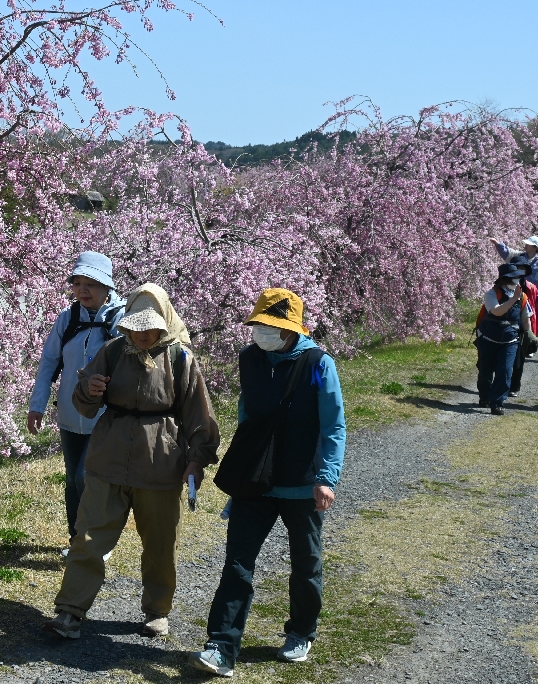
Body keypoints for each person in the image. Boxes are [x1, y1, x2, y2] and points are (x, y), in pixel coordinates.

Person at [43, 284, 221, 640]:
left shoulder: (180, 359)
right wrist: (88, 390)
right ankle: (71, 611)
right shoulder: (111, 351)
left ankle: (157, 610)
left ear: (163, 324)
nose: (142, 334)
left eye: (149, 327)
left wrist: (197, 461)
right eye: (136, 327)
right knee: (88, 537)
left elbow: (199, 416)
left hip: (160, 462)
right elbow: (84, 403)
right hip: (108, 457)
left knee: (159, 543)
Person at [189, 289, 345, 676]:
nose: (263, 332)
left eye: (272, 326)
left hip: (302, 483)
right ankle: (221, 645)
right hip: (256, 481)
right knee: (237, 563)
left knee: (305, 562)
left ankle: (301, 632)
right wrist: (240, 475)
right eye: (259, 324)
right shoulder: (250, 359)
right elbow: (247, 418)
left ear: (292, 328)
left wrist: (326, 478)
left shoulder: (317, 363)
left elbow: (334, 425)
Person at [27, 252, 126, 546]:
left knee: (87, 477)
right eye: (77, 283)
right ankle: (77, 541)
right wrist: (37, 406)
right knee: (72, 480)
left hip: (106, 417)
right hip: (70, 416)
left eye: (91, 284)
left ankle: (96, 540)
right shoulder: (68, 318)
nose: (83, 290)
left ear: (107, 287)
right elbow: (48, 364)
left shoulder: (122, 319)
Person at [474, 263, 532, 415]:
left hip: (510, 341)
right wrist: (513, 299)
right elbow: (497, 311)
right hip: (488, 339)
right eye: (513, 277)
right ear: (505, 279)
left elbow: (526, 319)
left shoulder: (522, 297)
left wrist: (530, 335)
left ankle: (497, 402)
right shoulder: (492, 294)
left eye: (517, 277)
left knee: (505, 371)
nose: (516, 280)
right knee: (485, 371)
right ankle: (485, 397)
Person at [507, 255, 538, 398]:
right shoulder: (503, 286)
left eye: (522, 268)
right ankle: (503, 384)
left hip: (524, 327)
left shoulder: (531, 288)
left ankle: (514, 386)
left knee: (518, 360)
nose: (519, 271)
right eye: (516, 268)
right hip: (506, 326)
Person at [491, 235, 538, 303]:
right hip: (516, 290)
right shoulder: (519, 256)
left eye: (529, 244)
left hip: (531, 292)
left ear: (535, 247)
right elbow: (508, 253)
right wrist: (498, 244)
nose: (526, 245)